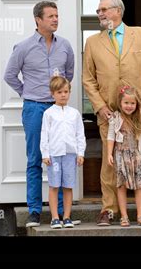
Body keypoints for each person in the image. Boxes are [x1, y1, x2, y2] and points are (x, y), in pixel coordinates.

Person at [83, 0, 141, 226]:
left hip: (139, 113)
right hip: (109, 113)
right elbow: (88, 79)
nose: (100, 14)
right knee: (110, 163)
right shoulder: (93, 42)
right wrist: (100, 107)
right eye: (98, 11)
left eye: (103, 10)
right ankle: (109, 209)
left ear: (118, 11)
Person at [4, 1, 79, 228]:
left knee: (59, 157)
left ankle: (58, 214)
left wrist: (58, 96)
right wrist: (26, 93)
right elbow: (9, 75)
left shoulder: (65, 46)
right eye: (51, 16)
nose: (56, 19)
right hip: (34, 108)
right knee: (35, 159)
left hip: (58, 110)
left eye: (57, 15)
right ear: (38, 19)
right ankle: (35, 211)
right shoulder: (24, 47)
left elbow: (69, 75)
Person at [40, 76, 86, 229]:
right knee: (54, 185)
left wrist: (80, 153)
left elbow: (80, 134)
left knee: (68, 186)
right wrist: (45, 154)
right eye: (59, 92)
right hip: (54, 155)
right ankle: (54, 217)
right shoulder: (49, 113)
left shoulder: (74, 113)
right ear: (52, 94)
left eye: (66, 92)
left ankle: (66, 217)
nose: (63, 95)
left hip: (70, 155)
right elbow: (44, 134)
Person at [107, 86, 141, 226]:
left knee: (140, 186)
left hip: (137, 154)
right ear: (120, 103)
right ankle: (124, 216)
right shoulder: (116, 117)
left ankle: (140, 216)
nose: (129, 106)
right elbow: (111, 136)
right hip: (121, 154)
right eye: (126, 103)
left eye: (132, 103)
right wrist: (109, 153)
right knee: (121, 185)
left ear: (136, 104)